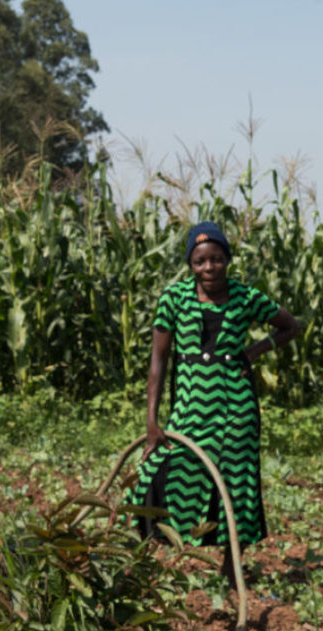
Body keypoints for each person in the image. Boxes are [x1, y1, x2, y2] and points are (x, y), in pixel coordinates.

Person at [134, 221, 299, 582]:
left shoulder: (246, 297)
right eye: (200, 261)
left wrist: (253, 352)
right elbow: (158, 362)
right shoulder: (174, 299)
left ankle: (230, 565)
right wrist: (151, 423)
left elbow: (290, 325)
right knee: (157, 468)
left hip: (236, 407)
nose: (209, 268)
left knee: (235, 481)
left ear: (227, 259)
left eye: (216, 259)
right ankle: (150, 555)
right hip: (190, 405)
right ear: (190, 265)